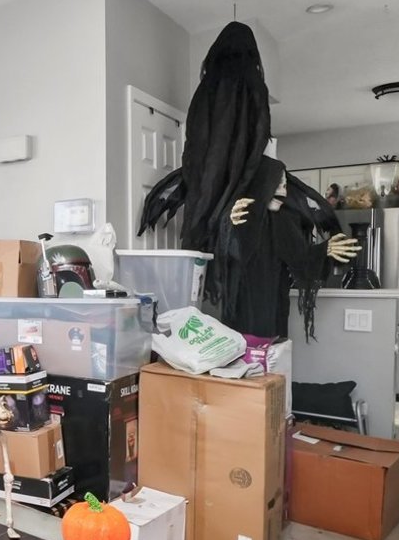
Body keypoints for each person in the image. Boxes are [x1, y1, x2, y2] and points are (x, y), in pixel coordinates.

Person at [137, 22, 358, 338]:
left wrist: (322, 251)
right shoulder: (210, 176)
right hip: (210, 304)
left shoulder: (263, 181)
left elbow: (292, 250)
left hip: (244, 312)